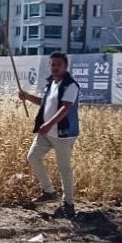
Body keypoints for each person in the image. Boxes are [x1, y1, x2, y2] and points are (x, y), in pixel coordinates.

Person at [17, 51, 80, 219]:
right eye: (52, 64)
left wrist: (48, 124)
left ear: (65, 66)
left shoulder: (71, 85)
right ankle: (49, 191)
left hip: (63, 133)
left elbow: (65, 108)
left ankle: (69, 203)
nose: (55, 67)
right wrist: (27, 96)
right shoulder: (51, 83)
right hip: (47, 132)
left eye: (58, 64)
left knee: (64, 168)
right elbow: (44, 102)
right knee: (33, 157)